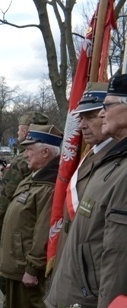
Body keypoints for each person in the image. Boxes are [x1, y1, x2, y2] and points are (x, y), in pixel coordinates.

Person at [45, 75, 127, 308]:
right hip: (73, 291)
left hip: (89, 306)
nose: (101, 115)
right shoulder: (102, 159)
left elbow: (117, 257)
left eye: (106, 107)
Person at [0, 124, 61, 308]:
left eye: (29, 149)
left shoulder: (49, 187)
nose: (24, 154)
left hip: (26, 272)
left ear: (45, 152)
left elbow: (43, 232)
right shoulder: (33, 178)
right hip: (17, 267)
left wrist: (33, 268)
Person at [0, 111, 49, 308]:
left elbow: (5, 199)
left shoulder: (24, 162)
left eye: (19, 129)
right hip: (24, 238)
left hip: (18, 241)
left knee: (13, 289)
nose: (18, 133)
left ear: (27, 130)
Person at [49, 83, 114, 275]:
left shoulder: (114, 160)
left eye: (90, 117)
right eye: (81, 117)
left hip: (89, 270)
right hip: (73, 259)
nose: (82, 125)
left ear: (107, 115)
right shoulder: (91, 155)